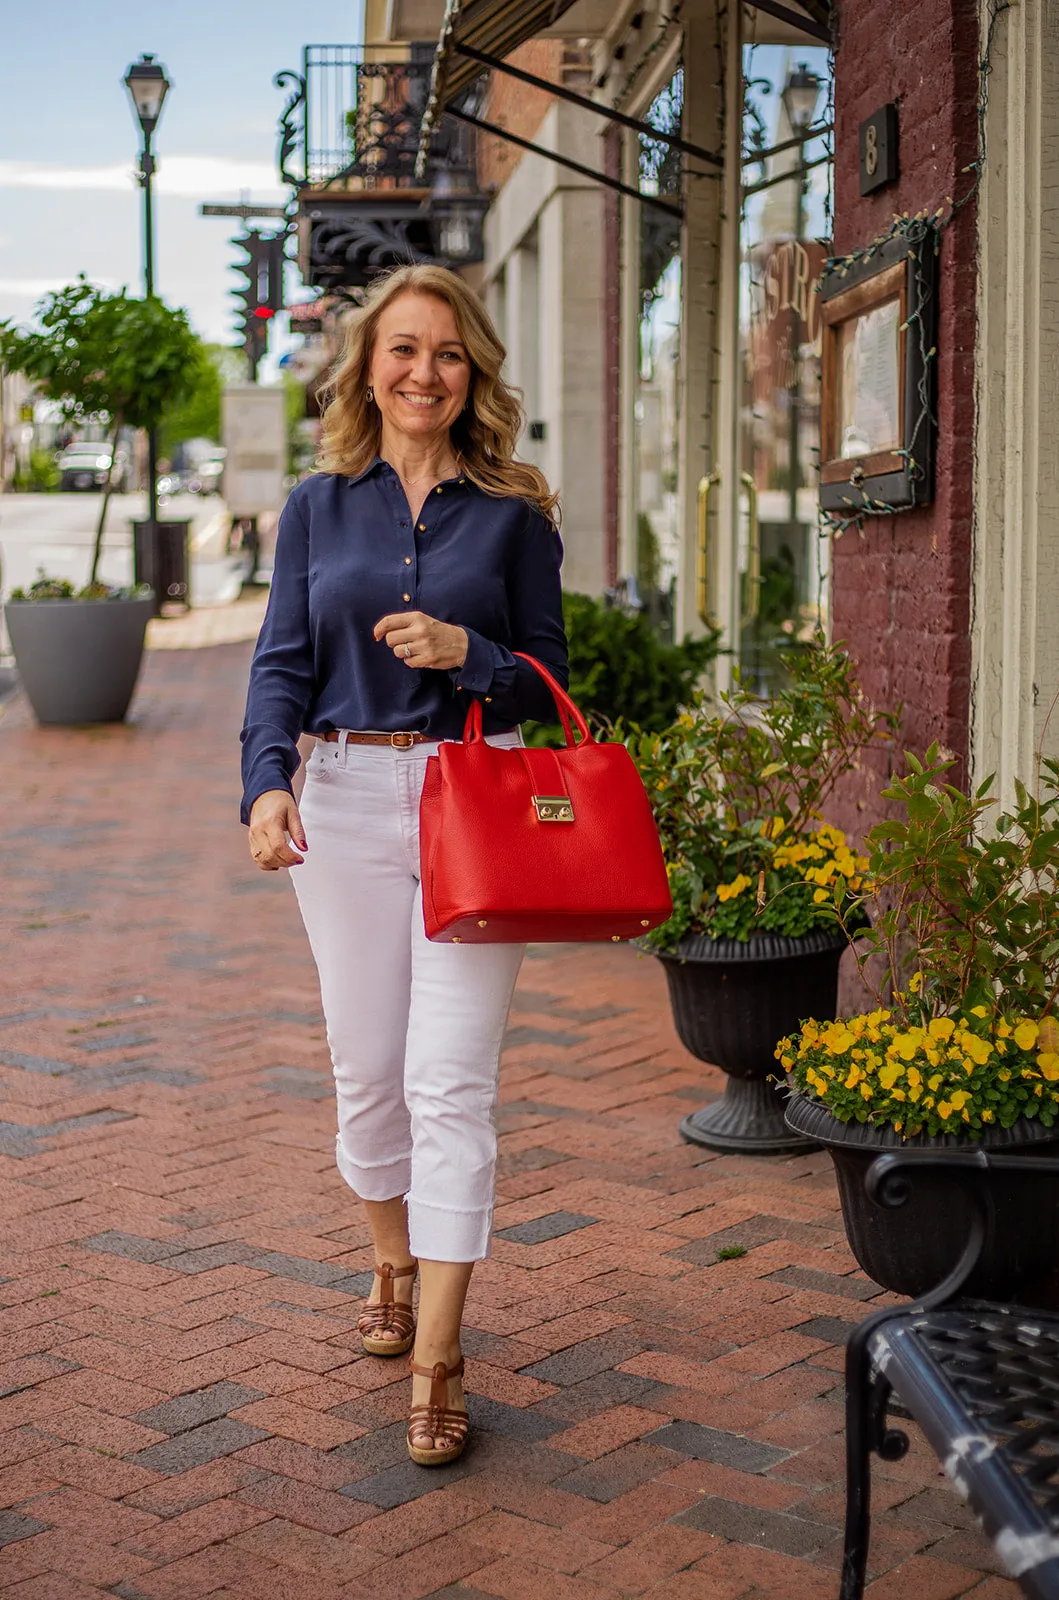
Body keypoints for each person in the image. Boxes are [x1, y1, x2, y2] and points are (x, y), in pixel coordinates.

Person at [240, 263, 568, 1467]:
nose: (423, 371)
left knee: (449, 1082)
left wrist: (466, 650)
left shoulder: (515, 514)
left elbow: (550, 680)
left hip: (471, 801)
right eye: (402, 349)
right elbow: (278, 661)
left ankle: (438, 1352)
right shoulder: (317, 507)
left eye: (445, 352)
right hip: (344, 802)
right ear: (366, 367)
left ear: (471, 370)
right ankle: (390, 1250)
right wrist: (266, 781)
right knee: (368, 1074)